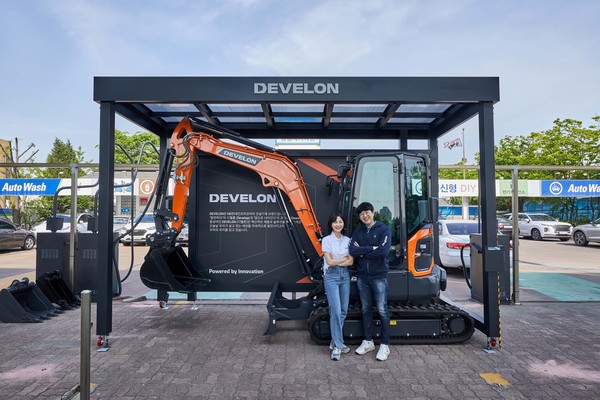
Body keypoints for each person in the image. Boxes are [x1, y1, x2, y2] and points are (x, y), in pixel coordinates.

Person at [349, 202, 392, 361]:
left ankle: (385, 345)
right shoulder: (357, 232)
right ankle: (368, 341)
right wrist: (371, 248)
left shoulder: (383, 230)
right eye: (361, 214)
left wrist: (362, 251)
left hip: (379, 276)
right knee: (365, 309)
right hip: (362, 276)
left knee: (382, 309)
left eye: (367, 212)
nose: (365, 216)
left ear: (373, 213)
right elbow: (352, 250)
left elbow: (383, 252)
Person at [321, 213, 354, 361]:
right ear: (331, 224)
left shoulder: (348, 240)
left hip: (345, 276)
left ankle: (335, 341)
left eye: (340, 222)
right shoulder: (326, 240)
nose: (338, 224)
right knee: (335, 311)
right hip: (331, 277)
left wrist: (338, 260)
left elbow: (351, 262)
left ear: (343, 224)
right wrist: (343, 259)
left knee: (343, 311)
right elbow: (329, 262)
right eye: (335, 222)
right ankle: (338, 347)